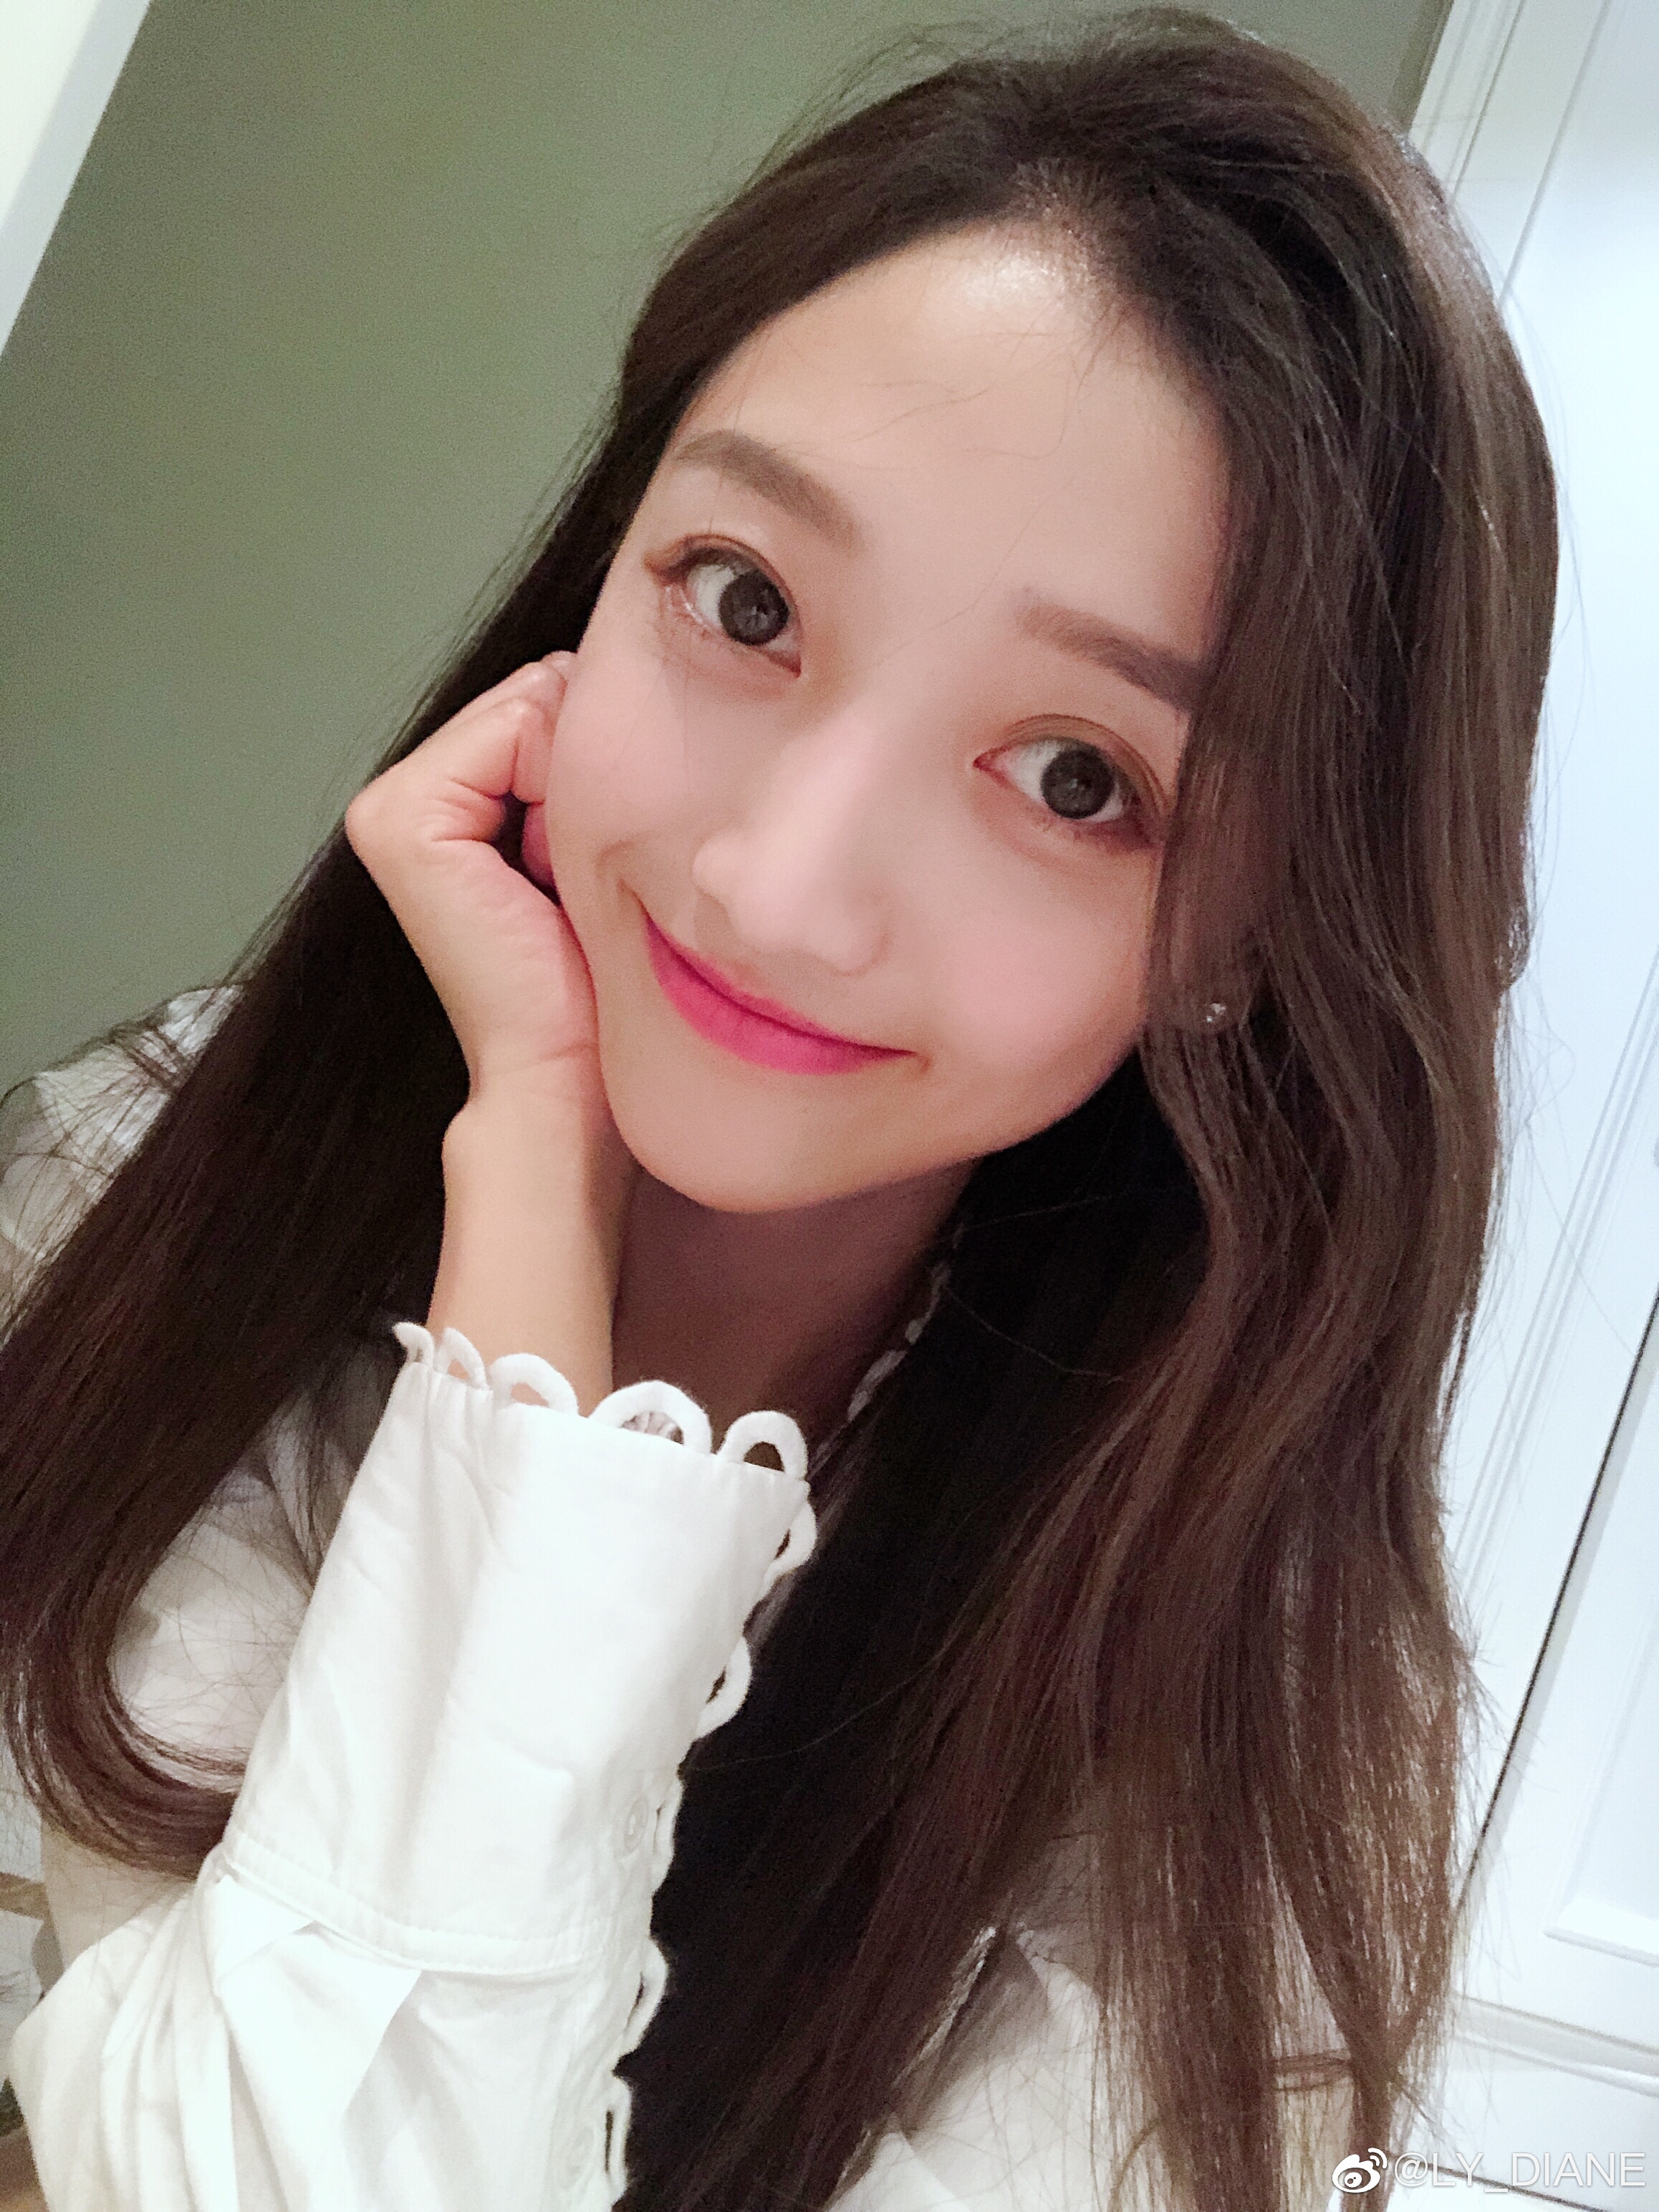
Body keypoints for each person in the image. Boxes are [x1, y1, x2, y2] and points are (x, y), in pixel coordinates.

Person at [0, 9, 1557, 2208]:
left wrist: (546, 1416)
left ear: (1255, 931)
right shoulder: (144, 1197)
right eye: (745, 604)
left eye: (1077, 779)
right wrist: (529, 1209)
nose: (776, 885)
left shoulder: (1245, 1668)